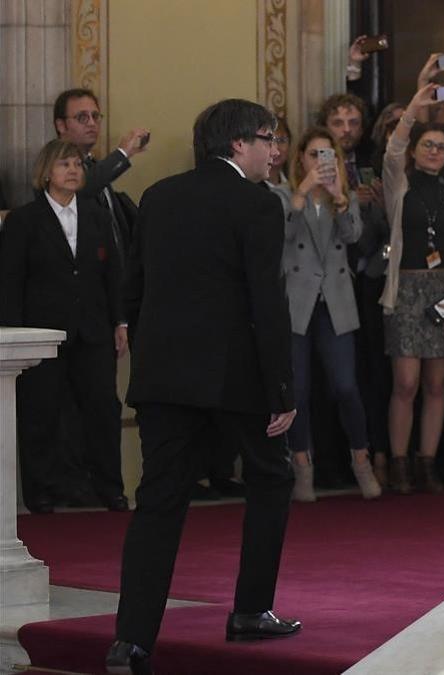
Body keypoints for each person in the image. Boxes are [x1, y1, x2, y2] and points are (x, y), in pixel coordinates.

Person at [107, 99, 300, 673]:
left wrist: (149, 367)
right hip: (236, 376)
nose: (275, 150)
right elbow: (267, 302)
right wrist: (281, 389)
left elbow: (134, 291)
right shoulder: (258, 203)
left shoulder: (159, 196)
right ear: (238, 144)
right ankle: (250, 611)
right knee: (272, 476)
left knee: (159, 502)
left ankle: (131, 640)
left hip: (164, 377)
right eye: (268, 139)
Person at [0, 139, 126, 514]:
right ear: (46, 172)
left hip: (92, 329)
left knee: (103, 409)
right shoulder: (24, 219)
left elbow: (113, 273)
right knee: (40, 412)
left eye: (77, 164)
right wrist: (12, 333)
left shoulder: (97, 215)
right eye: (63, 164)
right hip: (42, 333)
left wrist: (119, 320)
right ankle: (41, 490)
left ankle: (109, 487)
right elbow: (10, 280)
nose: (72, 170)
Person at [380, 84, 444, 495]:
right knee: (406, 383)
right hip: (406, 289)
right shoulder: (399, 186)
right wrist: (414, 109)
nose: (434, 152)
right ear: (415, 150)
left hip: (443, 292)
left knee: (437, 386)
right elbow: (392, 151)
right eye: (428, 145)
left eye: (441, 147)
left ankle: (427, 462)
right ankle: (398, 463)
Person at [280, 127, 381, 502]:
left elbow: (355, 235)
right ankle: (302, 465)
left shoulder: (346, 197)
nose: (321, 163)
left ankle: (361, 459)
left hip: (336, 302)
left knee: (345, 386)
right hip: (297, 303)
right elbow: (282, 236)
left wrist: (340, 196)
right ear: (301, 160)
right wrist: (302, 192)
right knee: (299, 391)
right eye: (314, 155)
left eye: (328, 156)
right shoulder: (284, 196)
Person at [52, 88, 149, 262]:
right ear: (61, 125)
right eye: (82, 117)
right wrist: (123, 153)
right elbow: (82, 188)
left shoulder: (94, 165)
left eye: (95, 116)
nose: (91, 123)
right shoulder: (51, 163)